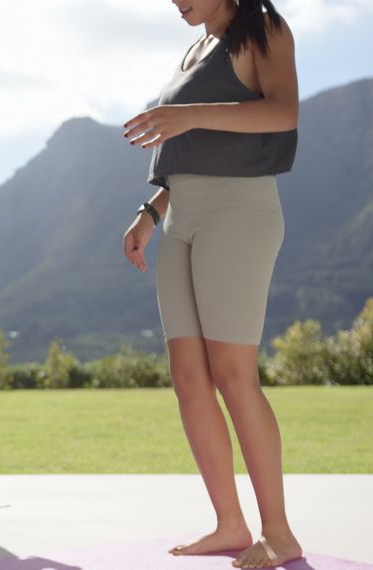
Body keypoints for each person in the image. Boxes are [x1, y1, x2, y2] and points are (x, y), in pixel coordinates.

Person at [120, 1, 302, 568]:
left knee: (231, 374)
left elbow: (283, 112)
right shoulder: (194, 49)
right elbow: (193, 148)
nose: (176, 1)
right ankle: (229, 524)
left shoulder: (262, 29)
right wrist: (150, 212)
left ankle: (279, 533)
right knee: (189, 377)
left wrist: (190, 114)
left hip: (238, 211)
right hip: (181, 217)